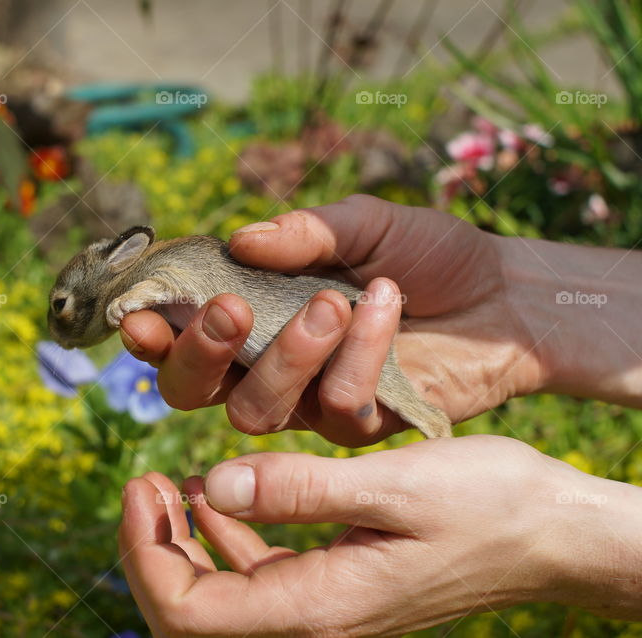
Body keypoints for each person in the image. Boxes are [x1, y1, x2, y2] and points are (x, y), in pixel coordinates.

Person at [116, 195, 642, 637]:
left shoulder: (158, 274)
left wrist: (545, 534)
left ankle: (438, 437)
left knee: (365, 380)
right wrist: (507, 292)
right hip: (322, 304)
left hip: (320, 305)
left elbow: (174, 281)